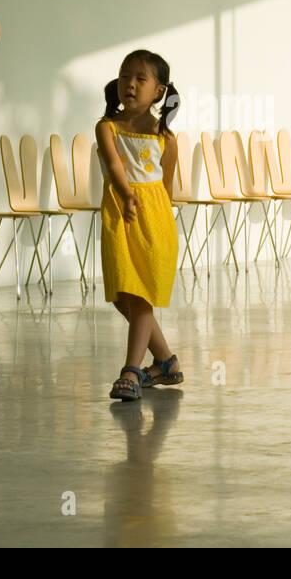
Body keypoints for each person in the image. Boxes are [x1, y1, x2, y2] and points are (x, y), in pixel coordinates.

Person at [95, 50, 183, 401]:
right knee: (122, 295)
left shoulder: (167, 138)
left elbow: (167, 187)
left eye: (140, 78)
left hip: (154, 221)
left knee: (141, 295)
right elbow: (115, 167)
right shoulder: (107, 126)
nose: (129, 84)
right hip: (120, 214)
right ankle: (165, 361)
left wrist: (161, 224)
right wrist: (126, 194)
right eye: (124, 75)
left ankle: (131, 370)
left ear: (158, 91)